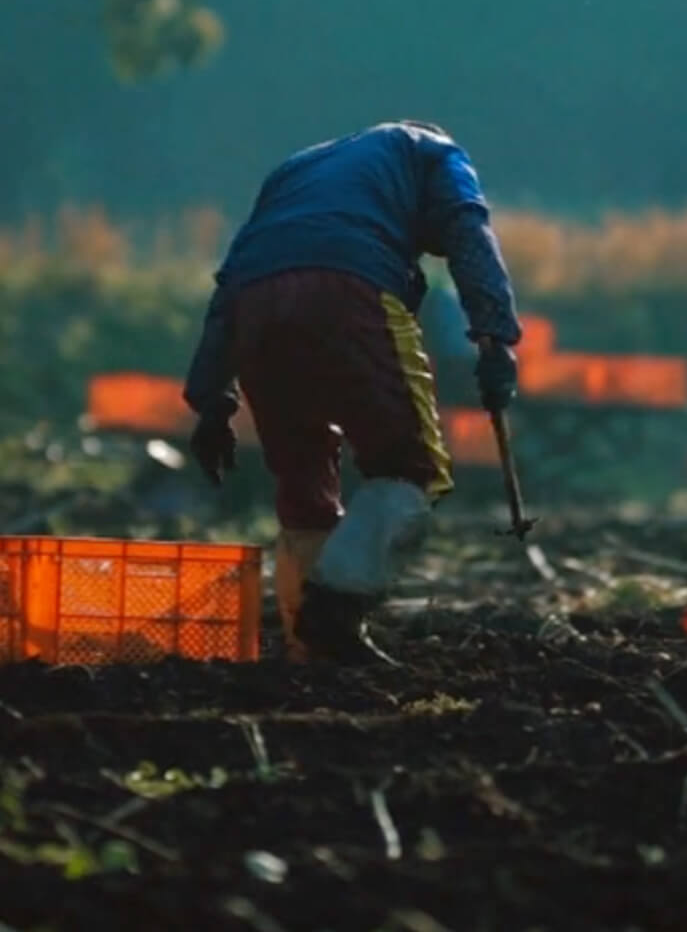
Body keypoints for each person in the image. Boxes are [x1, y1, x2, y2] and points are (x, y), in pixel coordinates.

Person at [181, 121, 523, 664]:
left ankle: (312, 653)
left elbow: (235, 276)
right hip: (351, 287)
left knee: (302, 480)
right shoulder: (434, 153)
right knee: (413, 468)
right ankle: (334, 606)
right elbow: (469, 235)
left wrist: (212, 397)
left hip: (256, 308)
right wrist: (497, 337)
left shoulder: (296, 169)